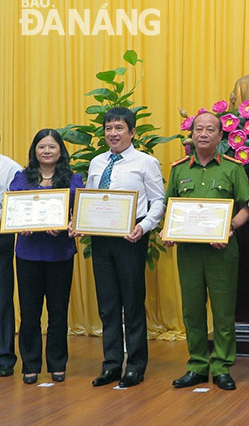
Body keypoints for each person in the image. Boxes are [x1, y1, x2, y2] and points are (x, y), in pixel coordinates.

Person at [164, 111, 249, 391]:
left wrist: (231, 229)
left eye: (210, 129)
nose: (203, 133)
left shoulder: (232, 168)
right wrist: (168, 232)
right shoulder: (178, 169)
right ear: (191, 135)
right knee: (192, 310)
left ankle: (222, 366)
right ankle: (198, 365)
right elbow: (170, 207)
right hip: (189, 251)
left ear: (220, 136)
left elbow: (246, 207)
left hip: (221, 250)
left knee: (223, 311)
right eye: (198, 129)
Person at [79, 107, 165, 388]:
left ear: (132, 132)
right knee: (107, 304)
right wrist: (80, 220)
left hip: (132, 237)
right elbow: (90, 198)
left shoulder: (145, 162)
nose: (113, 133)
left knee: (132, 302)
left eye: (119, 128)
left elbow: (158, 201)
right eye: (108, 129)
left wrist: (146, 226)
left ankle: (136, 365)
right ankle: (112, 364)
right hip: (101, 238)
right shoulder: (96, 162)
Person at [9, 129, 84, 385]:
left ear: (61, 151)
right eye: (42, 147)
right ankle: (30, 364)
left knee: (58, 312)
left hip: (60, 253)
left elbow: (80, 214)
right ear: (34, 151)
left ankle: (57, 363)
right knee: (29, 313)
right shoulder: (21, 179)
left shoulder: (74, 180)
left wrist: (68, 223)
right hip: (28, 253)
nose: (47, 151)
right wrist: (21, 223)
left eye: (52, 147)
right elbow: (14, 211)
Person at [0, 150, 21, 378]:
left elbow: (15, 205)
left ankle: (4, 356)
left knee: (2, 297)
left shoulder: (10, 168)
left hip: (0, 235)